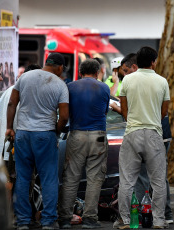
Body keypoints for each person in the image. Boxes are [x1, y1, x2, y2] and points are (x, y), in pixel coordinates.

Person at [5, 53, 69, 230]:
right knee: (49, 178)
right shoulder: (60, 84)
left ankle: (23, 220)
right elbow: (64, 116)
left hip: (23, 134)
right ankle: (48, 221)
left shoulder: (24, 77)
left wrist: (10, 127)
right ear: (60, 67)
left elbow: (12, 103)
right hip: (45, 134)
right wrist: (55, 130)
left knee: (23, 177)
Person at [113, 47, 170, 229]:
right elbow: (164, 111)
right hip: (154, 134)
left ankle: (125, 220)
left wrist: (133, 121)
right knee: (158, 181)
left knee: (127, 181)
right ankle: (159, 220)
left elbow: (124, 109)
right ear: (153, 62)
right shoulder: (162, 82)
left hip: (132, 133)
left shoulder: (128, 79)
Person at [58, 59, 110, 229]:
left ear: (80, 72)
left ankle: (65, 218)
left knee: (71, 177)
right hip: (98, 136)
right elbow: (104, 111)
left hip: (77, 134)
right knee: (95, 178)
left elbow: (65, 111)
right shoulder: (104, 87)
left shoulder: (70, 87)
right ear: (97, 72)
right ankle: (89, 218)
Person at [0, 64, 42, 164]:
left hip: (6, 148)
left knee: (9, 178)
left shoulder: (8, 91)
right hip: (17, 147)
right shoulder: (24, 92)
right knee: (22, 178)